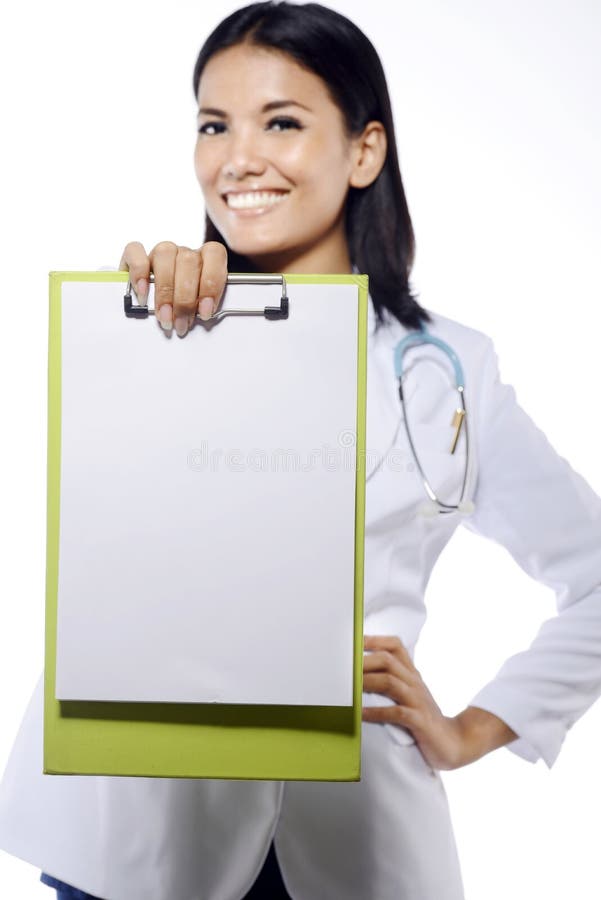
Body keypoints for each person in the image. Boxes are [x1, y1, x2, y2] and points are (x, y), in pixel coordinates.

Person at [1, 2, 600, 898]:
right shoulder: (152, 324)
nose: (238, 158)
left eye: (281, 121)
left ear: (363, 150)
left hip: (357, 840)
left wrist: (475, 726)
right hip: (139, 842)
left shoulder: (447, 367)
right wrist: (143, 317)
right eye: (214, 125)